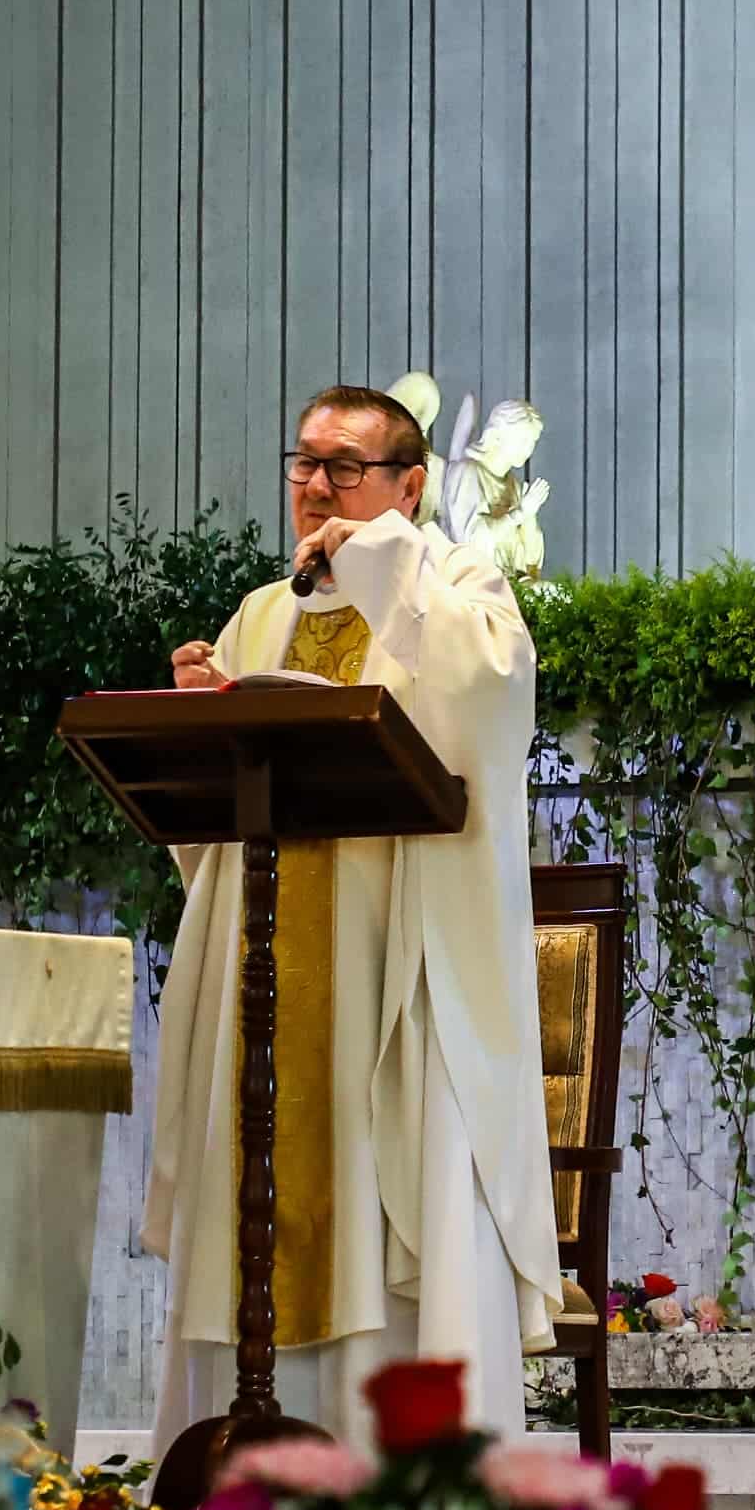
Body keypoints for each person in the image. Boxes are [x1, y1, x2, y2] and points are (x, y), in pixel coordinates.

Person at [139, 384, 557, 1444]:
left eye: (345, 468)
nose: (316, 486)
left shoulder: (456, 578)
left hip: (392, 967)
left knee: (387, 1186)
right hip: (267, 964)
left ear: (408, 486)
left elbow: (488, 699)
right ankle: (241, 1448)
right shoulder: (262, 611)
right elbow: (212, 825)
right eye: (304, 463)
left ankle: (386, 1458)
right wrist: (199, 719)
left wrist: (383, 559)